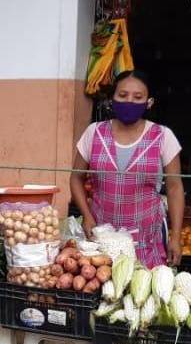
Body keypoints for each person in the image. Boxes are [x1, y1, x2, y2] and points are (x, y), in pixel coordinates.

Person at [70, 70, 185, 268]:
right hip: (102, 240)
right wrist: (87, 216)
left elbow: (175, 188)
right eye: (122, 95)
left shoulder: (163, 136)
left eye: (137, 97)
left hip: (146, 240)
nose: (129, 101)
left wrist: (175, 236)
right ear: (111, 99)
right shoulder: (94, 133)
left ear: (149, 102)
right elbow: (75, 178)